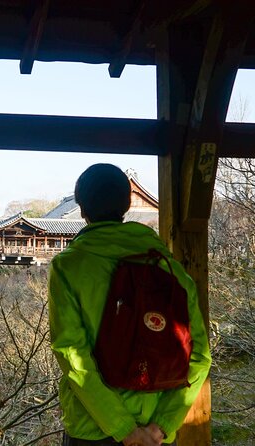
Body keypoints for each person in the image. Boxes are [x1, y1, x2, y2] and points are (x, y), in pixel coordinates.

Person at [48, 164, 212, 446]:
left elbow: (73, 355)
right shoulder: (171, 270)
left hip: (94, 428)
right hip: (155, 431)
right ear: (127, 203)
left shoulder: (69, 266)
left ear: (82, 208)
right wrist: (162, 425)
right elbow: (200, 358)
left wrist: (123, 429)